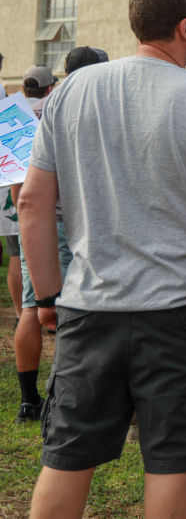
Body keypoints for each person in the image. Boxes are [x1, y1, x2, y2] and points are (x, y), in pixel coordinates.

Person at [20, 0, 186, 517]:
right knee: (173, 462)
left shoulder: (71, 91)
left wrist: (48, 296)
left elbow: (32, 202)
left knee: (67, 455)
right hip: (182, 314)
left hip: (89, 306)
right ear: (184, 27)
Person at [11, 65, 71, 424]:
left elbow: (17, 187)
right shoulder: (67, 108)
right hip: (67, 220)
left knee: (31, 307)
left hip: (30, 221)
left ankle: (28, 400)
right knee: (71, 307)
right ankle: (61, 394)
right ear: (51, 87)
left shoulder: (15, 117)